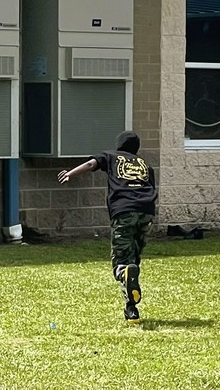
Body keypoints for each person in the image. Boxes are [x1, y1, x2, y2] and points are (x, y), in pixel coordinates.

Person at [57, 131, 157, 323]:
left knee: (121, 263)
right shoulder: (145, 164)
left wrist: (70, 173)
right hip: (147, 211)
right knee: (133, 259)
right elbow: (151, 187)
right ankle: (131, 310)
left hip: (124, 211)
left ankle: (126, 278)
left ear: (119, 145)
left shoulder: (110, 156)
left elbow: (91, 164)